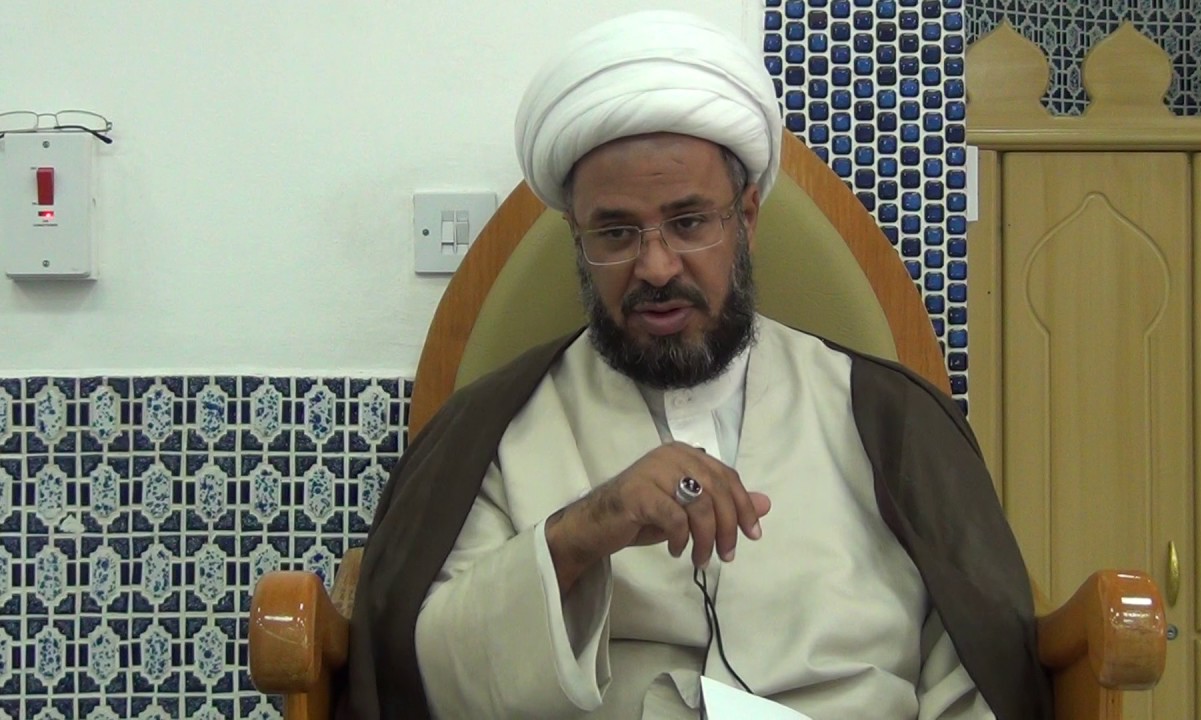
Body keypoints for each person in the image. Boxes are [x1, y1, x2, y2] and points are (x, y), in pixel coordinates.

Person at [337, 11, 1051, 720]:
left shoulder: (886, 421)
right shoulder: (496, 432)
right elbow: (430, 678)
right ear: (577, 238)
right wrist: (583, 532)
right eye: (616, 232)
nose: (655, 267)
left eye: (688, 223)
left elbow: (977, 679)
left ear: (747, 218)